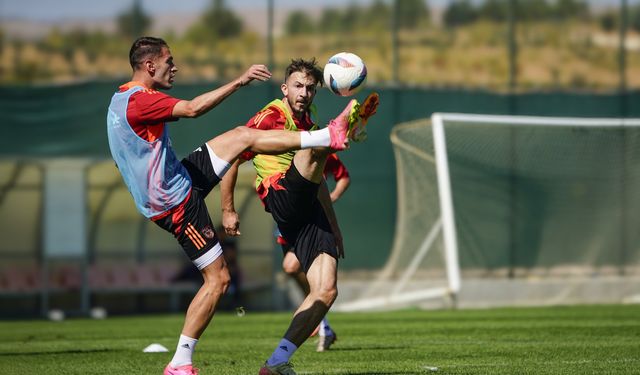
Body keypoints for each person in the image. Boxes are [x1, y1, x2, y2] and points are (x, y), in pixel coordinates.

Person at [106, 37, 358, 375]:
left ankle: (324, 138)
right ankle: (180, 363)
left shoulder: (121, 99)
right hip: (175, 201)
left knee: (242, 135)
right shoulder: (140, 101)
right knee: (218, 281)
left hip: (180, 176)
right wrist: (240, 81)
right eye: (169, 61)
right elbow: (193, 109)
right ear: (150, 66)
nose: (174, 66)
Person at [220, 58, 378, 375]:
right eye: (297, 86)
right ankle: (346, 121)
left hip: (307, 204)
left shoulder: (310, 117)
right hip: (281, 194)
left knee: (325, 291)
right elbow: (233, 155)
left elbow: (318, 180)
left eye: (309, 88)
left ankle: (276, 363)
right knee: (317, 145)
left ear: (317, 92)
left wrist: (333, 226)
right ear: (284, 88)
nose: (303, 93)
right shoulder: (271, 115)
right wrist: (228, 209)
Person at [275, 153, 350, 352]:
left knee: (292, 267)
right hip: (288, 216)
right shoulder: (277, 147)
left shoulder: (320, 150)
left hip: (312, 220)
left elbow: (343, 176)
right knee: (302, 276)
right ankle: (322, 323)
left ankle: (315, 314)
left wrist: (331, 197)